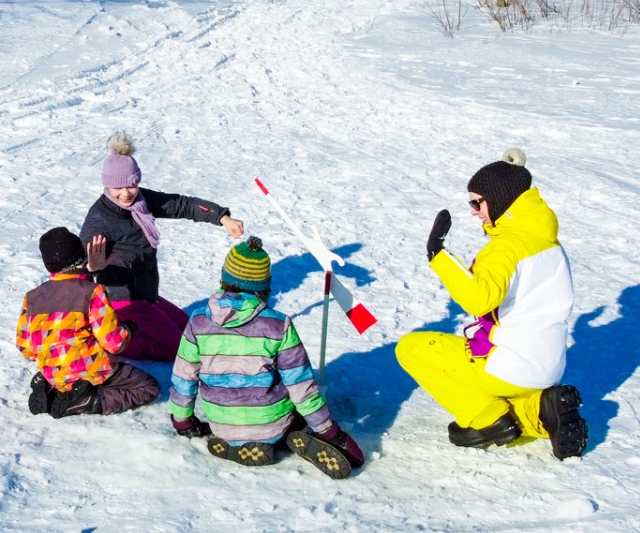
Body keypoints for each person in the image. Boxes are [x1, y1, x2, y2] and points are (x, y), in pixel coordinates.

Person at [395, 150, 588, 459]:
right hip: (549, 366)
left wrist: (438, 254)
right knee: (510, 386)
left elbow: (478, 298)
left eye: (477, 202)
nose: (474, 211)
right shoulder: (548, 243)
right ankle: (539, 411)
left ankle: (487, 420)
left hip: (508, 365)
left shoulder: (506, 248)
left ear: (501, 200)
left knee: (412, 348)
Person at [168, 237, 366, 478]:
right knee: (294, 407)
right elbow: (301, 386)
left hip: (221, 424)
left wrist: (183, 422)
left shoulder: (198, 321)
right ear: (265, 288)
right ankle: (295, 434)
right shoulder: (277, 325)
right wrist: (332, 433)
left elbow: (183, 377)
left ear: (223, 279)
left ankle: (235, 443)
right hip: (273, 422)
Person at [80, 133, 245, 361]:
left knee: (192, 333)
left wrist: (222, 218)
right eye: (118, 187)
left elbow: (181, 205)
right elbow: (75, 269)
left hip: (147, 296)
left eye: (132, 184)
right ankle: (112, 342)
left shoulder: (141, 202)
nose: (126, 193)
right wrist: (91, 267)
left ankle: (127, 334)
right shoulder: (100, 219)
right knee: (184, 352)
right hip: (123, 303)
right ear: (107, 185)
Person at [17, 227, 161, 418]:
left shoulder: (32, 297)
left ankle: (52, 388)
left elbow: (25, 348)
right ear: (80, 258)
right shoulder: (92, 292)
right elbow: (113, 342)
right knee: (147, 387)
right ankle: (88, 400)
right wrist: (130, 329)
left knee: (61, 375)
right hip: (91, 371)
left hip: (53, 372)